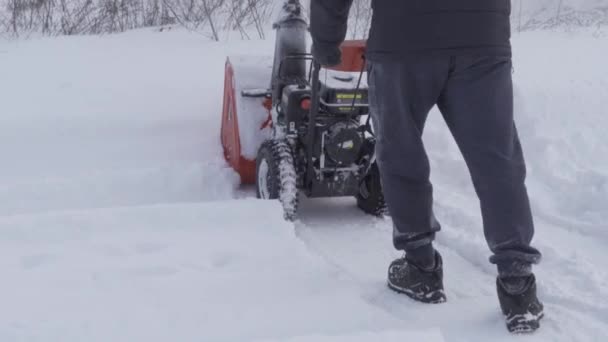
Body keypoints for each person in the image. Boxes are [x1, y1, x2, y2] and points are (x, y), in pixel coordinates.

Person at [310, 0, 544, 333]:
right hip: (482, 37)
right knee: (496, 159)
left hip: (402, 37)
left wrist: (326, 41)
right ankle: (517, 282)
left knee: (399, 150)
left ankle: (421, 266)